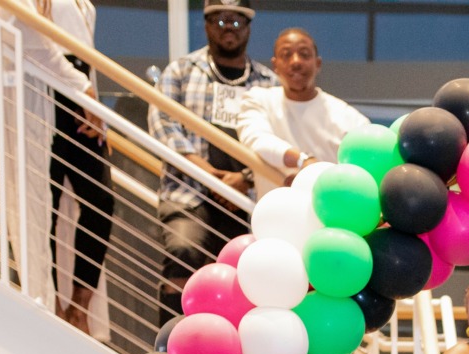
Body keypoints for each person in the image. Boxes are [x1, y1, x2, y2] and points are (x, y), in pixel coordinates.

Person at [151, 2, 275, 315]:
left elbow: (278, 139)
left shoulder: (268, 83)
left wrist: (244, 179)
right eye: (220, 21)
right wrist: (209, 175)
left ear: (248, 29)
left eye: (237, 21)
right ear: (206, 26)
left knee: (247, 279)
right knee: (183, 251)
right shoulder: (181, 71)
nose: (228, 27)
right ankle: (172, 341)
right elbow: (163, 124)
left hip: (248, 200)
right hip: (189, 191)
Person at [20, 0, 112, 333]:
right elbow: (33, 40)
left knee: (100, 201)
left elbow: (85, 52)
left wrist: (96, 110)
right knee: (47, 205)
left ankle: (78, 308)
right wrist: (83, 89)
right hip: (47, 87)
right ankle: (52, 305)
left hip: (79, 90)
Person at [236, 27, 368, 197]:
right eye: (286, 55)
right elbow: (256, 138)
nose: (296, 62)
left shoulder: (350, 119)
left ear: (318, 63)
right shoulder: (257, 100)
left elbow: (361, 176)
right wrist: (302, 161)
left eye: (304, 54)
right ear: (275, 65)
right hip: (272, 211)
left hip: (329, 211)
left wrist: (312, 178)